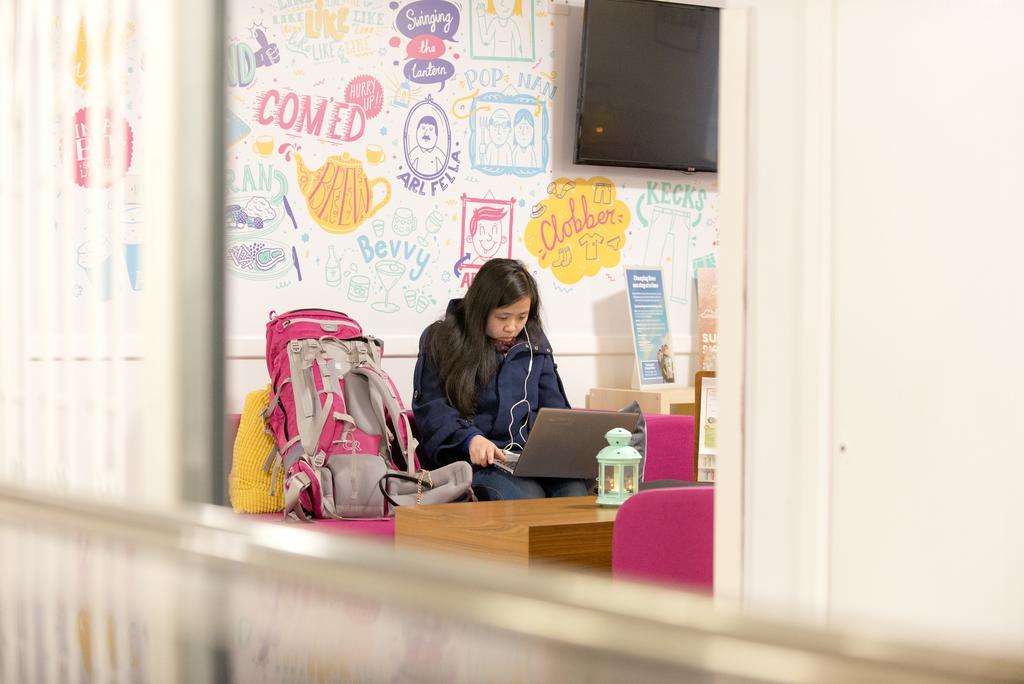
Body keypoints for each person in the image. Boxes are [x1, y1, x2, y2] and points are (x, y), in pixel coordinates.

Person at [412, 259, 589, 501]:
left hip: (525, 460)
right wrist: (470, 439)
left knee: (575, 492)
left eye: (522, 316)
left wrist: (561, 443)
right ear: (480, 308)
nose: (512, 327)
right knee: (526, 496)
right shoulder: (442, 338)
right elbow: (432, 410)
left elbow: (554, 409)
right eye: (503, 317)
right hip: (469, 461)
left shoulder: (535, 343)